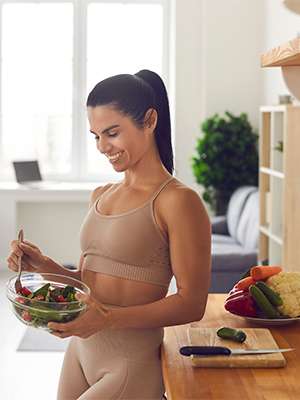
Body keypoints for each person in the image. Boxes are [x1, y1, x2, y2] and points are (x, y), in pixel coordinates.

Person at [7, 70, 211, 400]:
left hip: (130, 364)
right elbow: (90, 285)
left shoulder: (177, 201)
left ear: (150, 120)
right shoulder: (101, 194)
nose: (103, 146)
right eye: (96, 136)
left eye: (112, 133)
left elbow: (192, 303)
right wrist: (42, 265)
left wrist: (108, 320)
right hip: (80, 353)